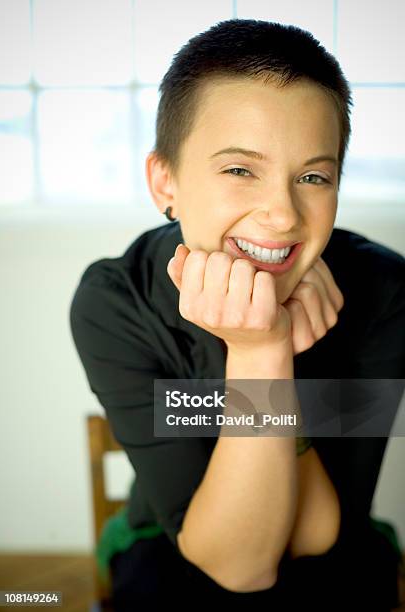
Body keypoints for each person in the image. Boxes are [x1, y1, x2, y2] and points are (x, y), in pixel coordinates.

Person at [69, 19, 404, 610]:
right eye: (240, 169)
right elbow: (238, 565)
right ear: (164, 180)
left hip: (328, 550)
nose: (282, 214)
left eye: (313, 176)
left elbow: (314, 536)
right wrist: (260, 352)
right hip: (172, 543)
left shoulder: (384, 291)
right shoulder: (115, 301)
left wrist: (265, 361)